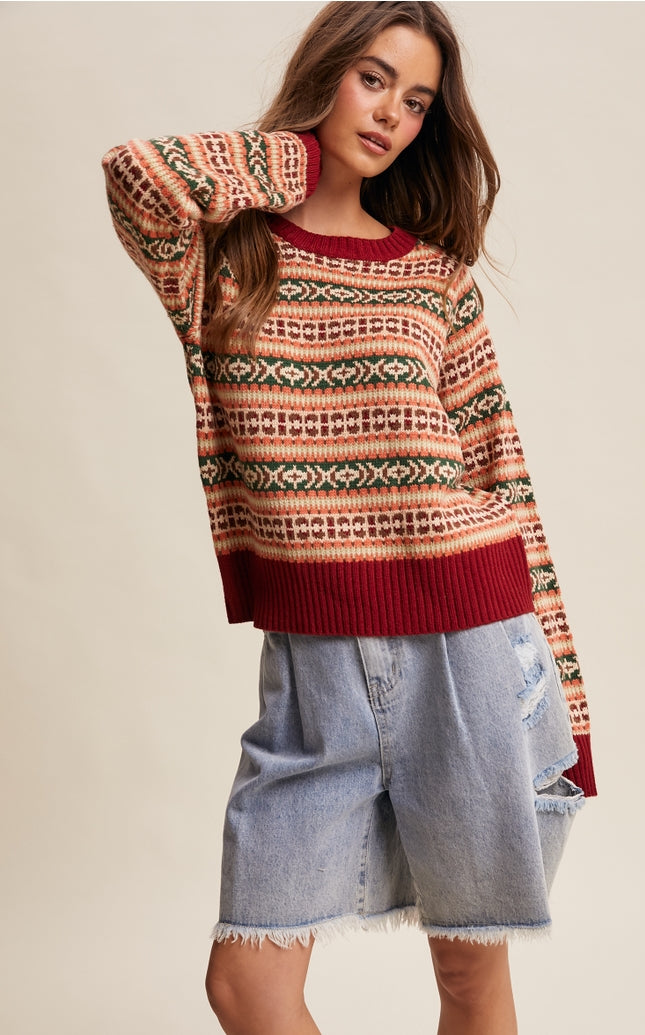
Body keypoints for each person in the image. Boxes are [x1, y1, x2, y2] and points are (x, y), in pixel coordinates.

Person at [103, 2, 596, 1032]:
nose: (391, 116)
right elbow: (138, 175)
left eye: (416, 102)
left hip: (468, 653)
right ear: (324, 71)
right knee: (247, 984)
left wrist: (570, 703)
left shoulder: (434, 278)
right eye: (372, 79)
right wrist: (296, 156)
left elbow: (503, 479)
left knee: (470, 978)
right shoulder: (228, 258)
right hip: (315, 673)